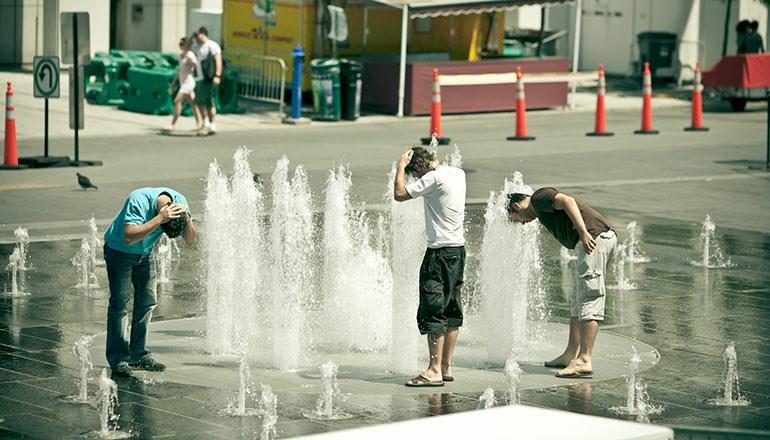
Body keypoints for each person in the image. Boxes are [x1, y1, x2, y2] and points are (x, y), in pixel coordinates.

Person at [506, 188, 616, 378]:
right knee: (578, 300)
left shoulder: (538, 198)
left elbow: (567, 201)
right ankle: (570, 354)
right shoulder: (540, 209)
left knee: (590, 298)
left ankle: (584, 360)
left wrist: (582, 232)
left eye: (516, 219)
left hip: (592, 238)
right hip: (594, 239)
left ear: (516, 206)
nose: (522, 224)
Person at [103, 188, 197, 377]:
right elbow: (129, 236)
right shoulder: (138, 200)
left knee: (147, 303)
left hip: (145, 253)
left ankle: (138, 354)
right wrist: (160, 219)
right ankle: (119, 359)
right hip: (119, 251)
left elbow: (191, 240)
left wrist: (187, 217)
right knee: (120, 304)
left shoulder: (180, 202)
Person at [393, 147, 466, 387]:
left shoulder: (433, 178)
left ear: (419, 167)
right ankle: (446, 367)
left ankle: (433, 370)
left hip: (439, 253)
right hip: (458, 251)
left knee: (433, 306)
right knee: (452, 308)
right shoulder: (458, 173)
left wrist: (399, 166)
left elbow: (400, 194)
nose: (417, 179)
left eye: (415, 173)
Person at [165, 37, 202, 132]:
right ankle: (199, 123)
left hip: (188, 83)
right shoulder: (181, 55)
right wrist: (174, 83)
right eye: (180, 44)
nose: (180, 46)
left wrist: (193, 65)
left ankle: (172, 124)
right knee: (193, 103)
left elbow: (196, 65)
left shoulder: (190, 55)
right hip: (183, 82)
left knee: (177, 101)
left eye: (182, 44)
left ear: (187, 45)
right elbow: (180, 71)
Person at [191, 27, 222, 135]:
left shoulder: (212, 45)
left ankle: (207, 122)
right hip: (198, 77)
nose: (195, 37)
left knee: (200, 100)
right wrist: (192, 37)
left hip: (208, 77)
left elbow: (218, 61)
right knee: (208, 101)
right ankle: (211, 124)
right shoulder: (196, 46)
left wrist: (217, 75)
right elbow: (186, 47)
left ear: (203, 34)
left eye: (197, 34)